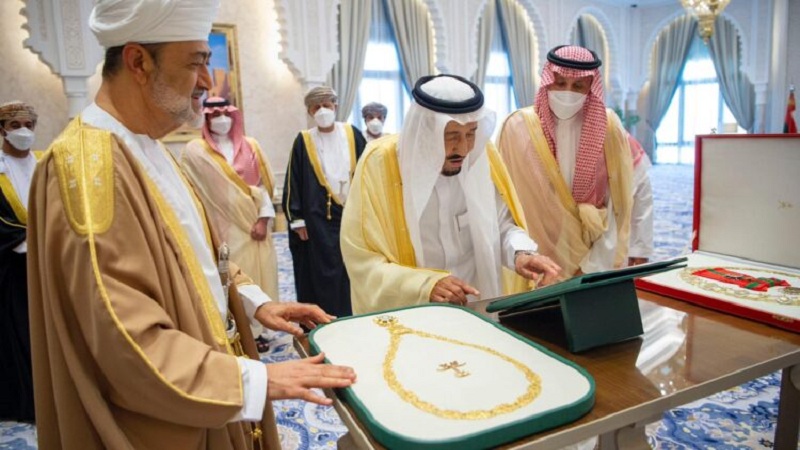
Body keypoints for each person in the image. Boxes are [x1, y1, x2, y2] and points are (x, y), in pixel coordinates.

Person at [26, 1, 356, 449]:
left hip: (203, 375)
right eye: (196, 62)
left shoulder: (149, 147)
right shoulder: (88, 167)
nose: (206, 81)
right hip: (157, 416)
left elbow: (194, 256)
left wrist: (256, 303)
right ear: (138, 62)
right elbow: (121, 337)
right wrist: (255, 382)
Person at [341, 74, 561, 315]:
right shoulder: (380, 164)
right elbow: (362, 259)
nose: (464, 148)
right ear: (426, 130)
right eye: (451, 135)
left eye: (471, 133)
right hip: (414, 311)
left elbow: (500, 226)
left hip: (477, 307)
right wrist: (425, 285)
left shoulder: (481, 156)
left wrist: (521, 253)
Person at [497, 45, 653, 278]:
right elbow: (502, 200)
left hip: (594, 248)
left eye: (578, 86)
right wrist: (519, 251)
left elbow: (627, 194)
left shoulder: (608, 126)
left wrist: (635, 248)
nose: (567, 92)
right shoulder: (516, 127)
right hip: (532, 248)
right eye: (560, 83)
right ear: (547, 81)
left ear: (591, 86)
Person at [182, 97, 278, 352]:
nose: (222, 120)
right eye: (215, 116)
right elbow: (194, 192)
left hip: (255, 224)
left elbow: (262, 187)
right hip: (223, 228)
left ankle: (260, 330)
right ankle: (240, 329)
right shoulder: (196, 151)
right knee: (233, 277)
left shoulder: (251, 145)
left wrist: (263, 219)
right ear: (206, 119)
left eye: (226, 114)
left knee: (260, 274)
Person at [282, 86, 367, 318]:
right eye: (316, 107)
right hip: (317, 217)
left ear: (335, 106)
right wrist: (296, 219)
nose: (322, 111)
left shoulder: (352, 133)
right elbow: (293, 180)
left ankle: (354, 313)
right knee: (324, 269)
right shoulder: (304, 140)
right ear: (310, 112)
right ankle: (326, 316)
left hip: (352, 213)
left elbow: (368, 171)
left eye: (326, 106)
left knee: (352, 265)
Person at [0, 101, 39, 422]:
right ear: (2, 129)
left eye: (28, 125)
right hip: (11, 269)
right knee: (20, 335)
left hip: (47, 264)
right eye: (15, 126)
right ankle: (26, 404)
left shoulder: (44, 164)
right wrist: (27, 239)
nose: (23, 131)